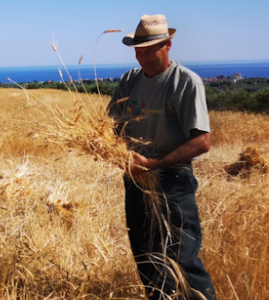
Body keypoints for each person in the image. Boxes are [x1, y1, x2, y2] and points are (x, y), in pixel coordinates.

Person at [107, 15, 216, 299]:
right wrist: (111, 149)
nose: (143, 59)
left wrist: (153, 164)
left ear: (168, 45)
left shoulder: (185, 83)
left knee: (182, 260)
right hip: (135, 181)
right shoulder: (129, 81)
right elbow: (112, 126)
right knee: (146, 256)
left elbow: (202, 141)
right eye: (138, 52)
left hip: (173, 181)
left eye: (150, 51)